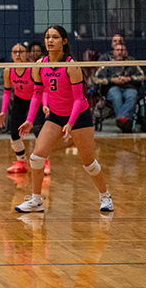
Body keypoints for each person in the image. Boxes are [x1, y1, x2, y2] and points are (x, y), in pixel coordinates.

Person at [15, 26, 113, 213]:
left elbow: (79, 99)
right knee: (36, 157)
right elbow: (37, 94)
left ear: (64, 41)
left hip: (79, 116)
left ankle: (105, 196)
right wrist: (29, 119)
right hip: (55, 116)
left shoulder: (71, 65)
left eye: (55, 37)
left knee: (89, 163)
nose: (50, 41)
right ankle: (36, 201)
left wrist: (70, 123)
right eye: (47, 37)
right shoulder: (40, 64)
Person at [0, 43, 47, 174]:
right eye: (15, 52)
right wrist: (3, 111)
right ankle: (21, 162)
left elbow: (40, 91)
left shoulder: (33, 69)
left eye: (21, 52)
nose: (18, 55)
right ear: (11, 55)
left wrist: (45, 105)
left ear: (27, 54)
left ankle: (45, 162)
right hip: (19, 101)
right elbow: (7, 91)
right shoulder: (8, 69)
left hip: (35, 100)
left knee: (38, 131)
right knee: (14, 133)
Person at [94, 43, 144, 133]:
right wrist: (112, 79)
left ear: (126, 52)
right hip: (113, 87)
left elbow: (142, 76)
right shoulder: (107, 63)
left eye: (122, 50)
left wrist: (128, 78)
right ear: (113, 52)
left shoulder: (132, 62)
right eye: (117, 50)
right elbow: (97, 79)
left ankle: (121, 119)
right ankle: (126, 121)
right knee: (116, 96)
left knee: (131, 96)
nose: (120, 52)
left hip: (129, 87)